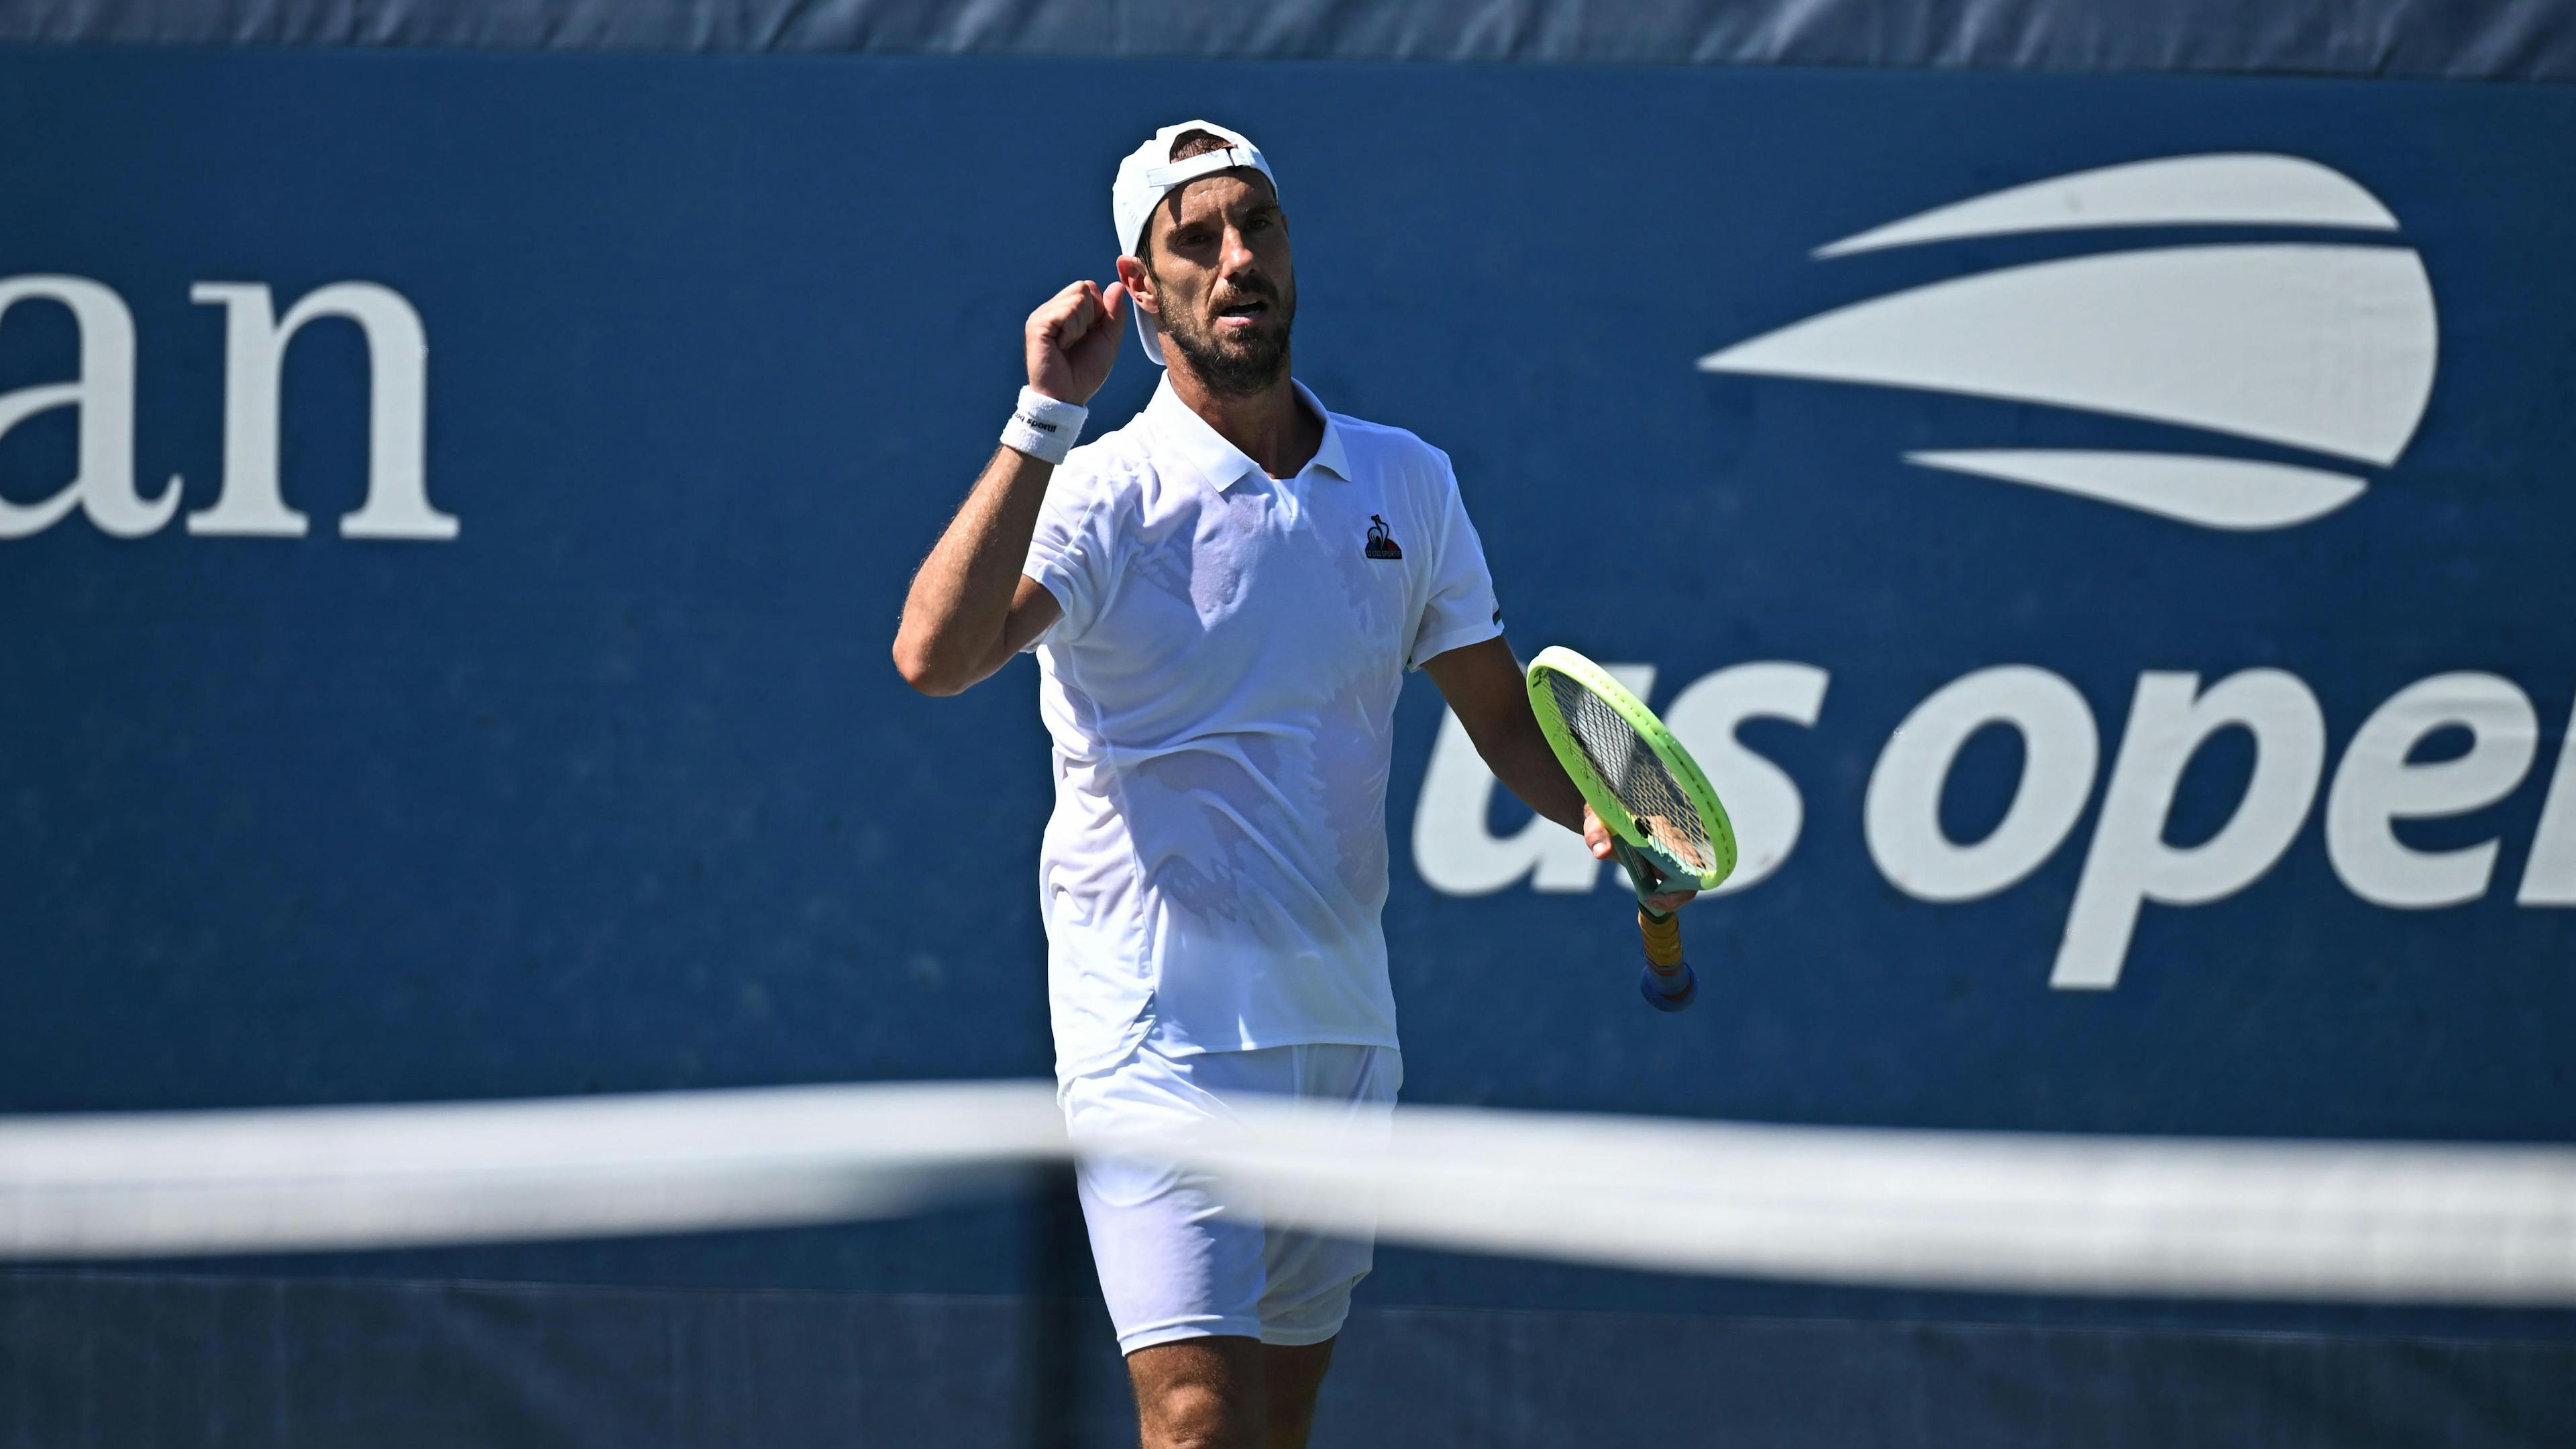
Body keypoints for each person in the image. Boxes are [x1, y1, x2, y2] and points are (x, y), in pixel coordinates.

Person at [892, 120, 1697, 1449]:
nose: (1235, 257)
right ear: (1136, 288)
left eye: (1255, 225)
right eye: (1193, 239)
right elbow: (934, 654)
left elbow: (1505, 723)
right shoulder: (1100, 494)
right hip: (1155, 1040)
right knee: (1197, 1422)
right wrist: (1044, 416)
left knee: (1270, 1430)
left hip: (1338, 1033)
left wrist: (1616, 820)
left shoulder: (1406, 481)